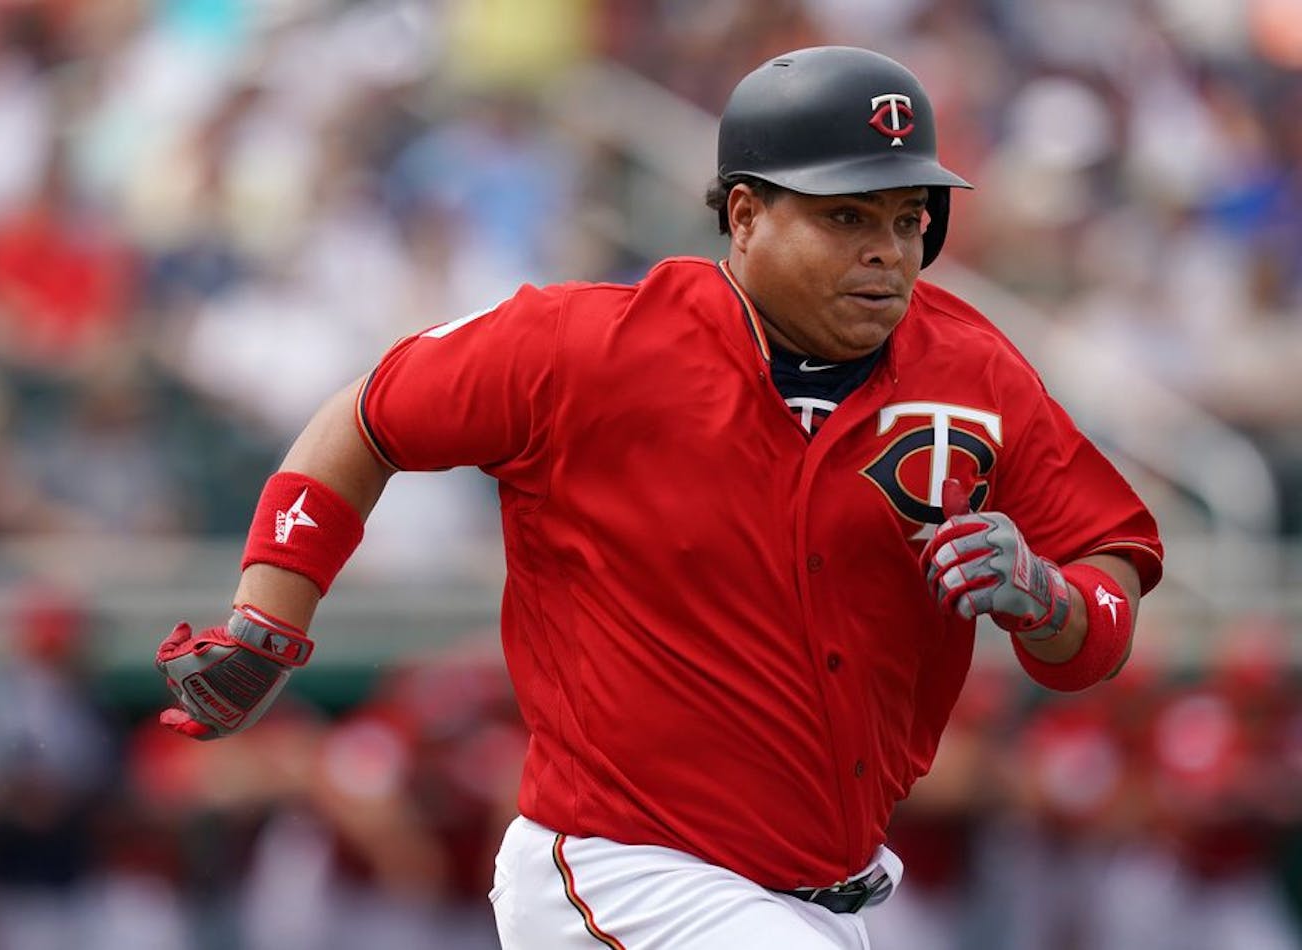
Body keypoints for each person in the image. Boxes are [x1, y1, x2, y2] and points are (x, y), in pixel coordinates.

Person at [154, 46, 1164, 950]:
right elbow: (365, 418)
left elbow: (1103, 585)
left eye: (907, 219)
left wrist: (1051, 598)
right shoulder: (583, 346)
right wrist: (269, 612)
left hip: (828, 897)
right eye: (845, 215)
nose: (887, 250)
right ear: (743, 214)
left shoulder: (973, 371)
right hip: (619, 871)